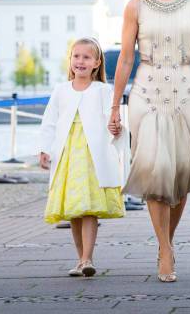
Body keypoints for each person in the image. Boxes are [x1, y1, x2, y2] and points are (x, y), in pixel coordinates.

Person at [108, 0, 190, 282]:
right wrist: (116, 105)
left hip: (185, 91)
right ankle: (165, 250)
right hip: (146, 91)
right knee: (156, 168)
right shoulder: (135, 6)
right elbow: (126, 57)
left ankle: (166, 241)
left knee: (182, 171)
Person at [40, 37, 126, 277]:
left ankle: (88, 258)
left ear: (97, 63)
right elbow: (49, 122)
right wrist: (45, 148)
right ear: (70, 60)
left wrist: (116, 129)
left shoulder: (103, 90)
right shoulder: (61, 90)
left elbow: (113, 120)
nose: (80, 61)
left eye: (86, 57)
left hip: (92, 155)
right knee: (74, 209)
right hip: (67, 153)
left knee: (88, 207)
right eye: (76, 56)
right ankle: (80, 259)